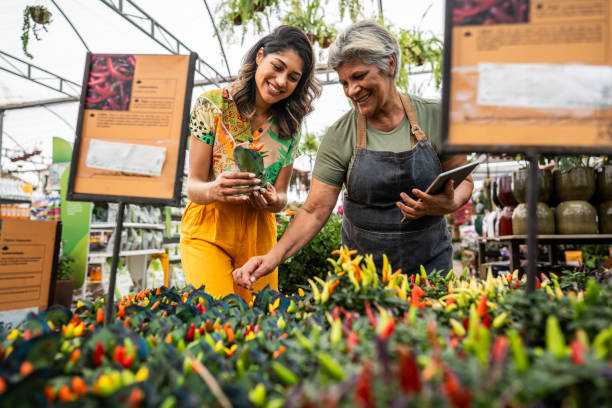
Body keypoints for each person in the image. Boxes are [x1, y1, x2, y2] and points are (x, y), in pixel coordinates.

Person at [233, 20, 474, 290]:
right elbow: (314, 211)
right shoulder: (340, 136)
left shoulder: (437, 117)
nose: (351, 91)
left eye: (358, 77)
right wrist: (271, 258)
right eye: (344, 82)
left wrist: (447, 204)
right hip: (363, 277)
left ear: (390, 64)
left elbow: (463, 181)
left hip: (430, 268)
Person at [180, 25, 321, 302]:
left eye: (293, 78)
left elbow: (282, 195)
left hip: (260, 237)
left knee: (261, 324)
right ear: (259, 57)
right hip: (208, 228)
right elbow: (193, 186)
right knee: (220, 318)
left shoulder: (290, 127)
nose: (281, 81)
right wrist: (214, 190)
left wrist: (273, 200)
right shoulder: (212, 106)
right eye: (277, 67)